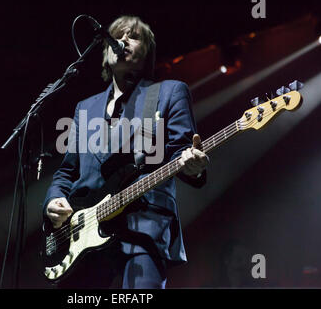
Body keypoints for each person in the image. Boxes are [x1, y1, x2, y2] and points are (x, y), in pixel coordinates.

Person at [42, 15, 209, 289]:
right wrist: (54, 200)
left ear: (147, 53)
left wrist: (193, 164)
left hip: (143, 226)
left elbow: (183, 152)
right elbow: (66, 171)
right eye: (117, 35)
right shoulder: (85, 108)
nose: (123, 40)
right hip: (83, 235)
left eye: (134, 36)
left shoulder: (168, 93)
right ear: (105, 50)